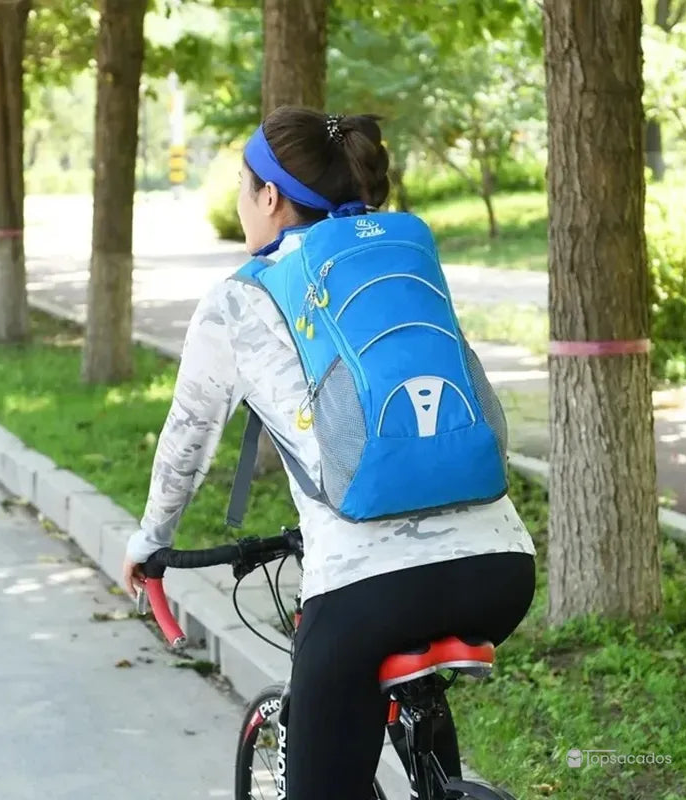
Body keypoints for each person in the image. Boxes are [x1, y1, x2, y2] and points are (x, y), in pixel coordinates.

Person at [123, 106, 536, 800]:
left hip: (368, 592)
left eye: (241, 184)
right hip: (501, 569)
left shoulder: (238, 301)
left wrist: (149, 542)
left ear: (270, 197)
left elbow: (186, 443)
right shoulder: (396, 261)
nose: (239, 200)